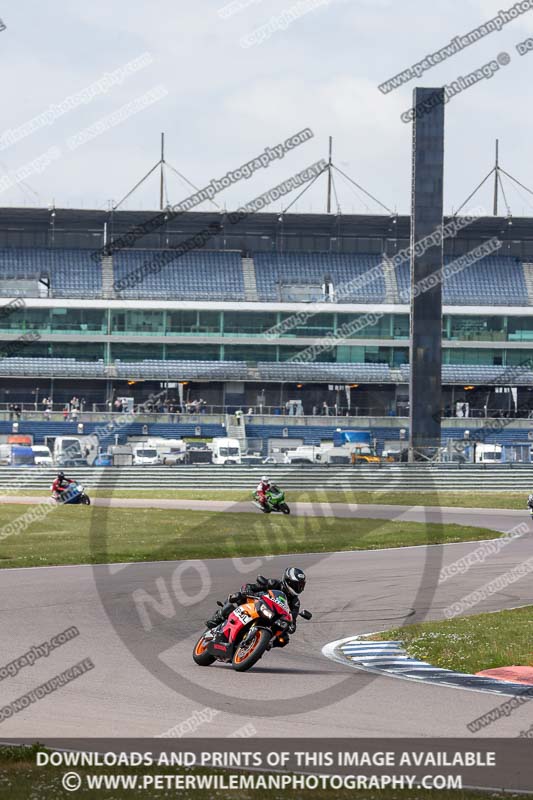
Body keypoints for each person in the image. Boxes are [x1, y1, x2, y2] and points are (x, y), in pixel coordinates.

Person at [205, 567, 307, 645]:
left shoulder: (295, 603)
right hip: (255, 603)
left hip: (270, 617)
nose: (299, 588)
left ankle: (265, 643)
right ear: (288, 581)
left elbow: (292, 618)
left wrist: (291, 626)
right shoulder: (274, 583)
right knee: (237, 596)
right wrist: (247, 590)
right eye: (296, 585)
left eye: (301, 585)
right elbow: (250, 586)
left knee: (284, 639)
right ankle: (218, 617)